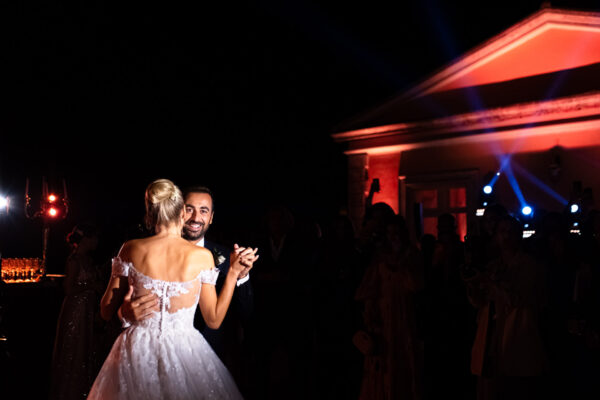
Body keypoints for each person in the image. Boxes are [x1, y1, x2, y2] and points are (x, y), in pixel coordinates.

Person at [88, 179, 257, 399]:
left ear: (150, 214)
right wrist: (232, 273)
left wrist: (236, 274)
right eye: (190, 209)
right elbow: (214, 320)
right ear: (182, 212)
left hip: (137, 350)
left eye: (204, 211)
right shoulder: (202, 257)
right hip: (187, 351)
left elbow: (104, 309)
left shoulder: (130, 248)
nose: (195, 217)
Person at [50, 223, 104, 400]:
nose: (97, 241)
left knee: (86, 348)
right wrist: (91, 285)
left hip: (87, 309)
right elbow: (68, 289)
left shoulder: (88, 260)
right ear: (86, 239)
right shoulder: (74, 260)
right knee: (74, 349)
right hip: (75, 310)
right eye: (94, 237)